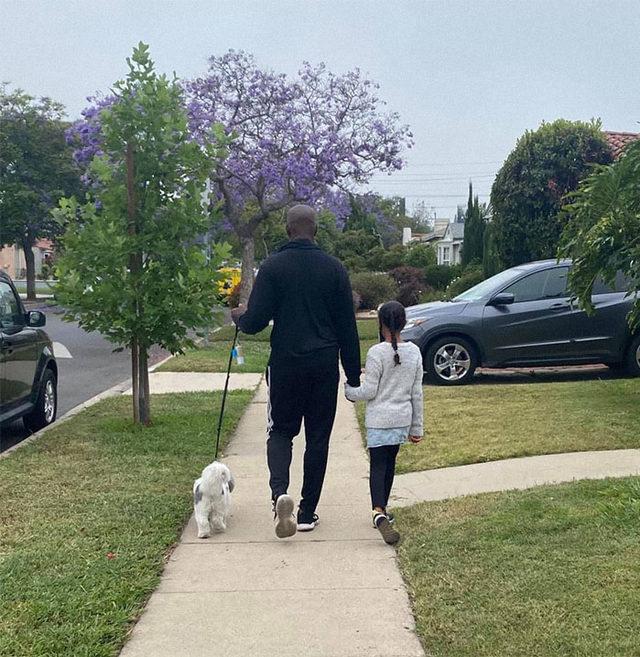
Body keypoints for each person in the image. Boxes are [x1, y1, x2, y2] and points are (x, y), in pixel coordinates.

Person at [231, 204, 361, 539]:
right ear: (315, 230)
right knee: (318, 438)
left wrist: (240, 318)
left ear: (287, 230)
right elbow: (347, 327)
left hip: (286, 363)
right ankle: (306, 512)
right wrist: (353, 376)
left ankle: (279, 496)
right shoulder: (334, 269)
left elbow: (256, 320)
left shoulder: (273, 267)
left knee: (281, 432)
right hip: (323, 364)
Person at [344, 301, 423, 545]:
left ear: (381, 323)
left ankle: (378, 511)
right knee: (390, 464)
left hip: (379, 421)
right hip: (401, 420)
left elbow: (369, 391)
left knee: (377, 466)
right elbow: (416, 393)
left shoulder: (377, 353)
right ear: (403, 323)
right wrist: (416, 427)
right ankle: (384, 509)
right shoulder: (414, 352)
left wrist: (349, 390)